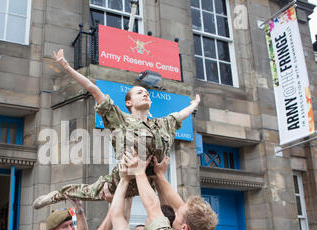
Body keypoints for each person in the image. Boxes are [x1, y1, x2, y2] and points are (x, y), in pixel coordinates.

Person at [33, 49, 200, 209]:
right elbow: (93, 89)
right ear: (128, 103)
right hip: (122, 178)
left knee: (168, 213)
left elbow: (180, 115)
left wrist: (194, 105)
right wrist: (67, 67)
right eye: (140, 92)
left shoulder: (163, 124)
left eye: (147, 94)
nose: (145, 94)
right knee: (89, 191)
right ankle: (56, 196)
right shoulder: (120, 120)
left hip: (150, 180)